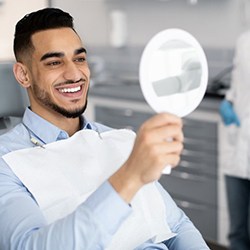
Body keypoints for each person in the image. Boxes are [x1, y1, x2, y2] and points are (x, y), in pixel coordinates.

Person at [0, 7, 209, 250]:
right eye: (55, 62)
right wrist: (129, 176)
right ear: (23, 74)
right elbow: (30, 246)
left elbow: (177, 225)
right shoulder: (7, 163)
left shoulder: (120, 139)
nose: (74, 73)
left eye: (79, 59)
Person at [219, 30, 250, 250]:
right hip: (238, 143)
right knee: (237, 232)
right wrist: (228, 101)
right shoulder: (244, 40)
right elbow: (239, 85)